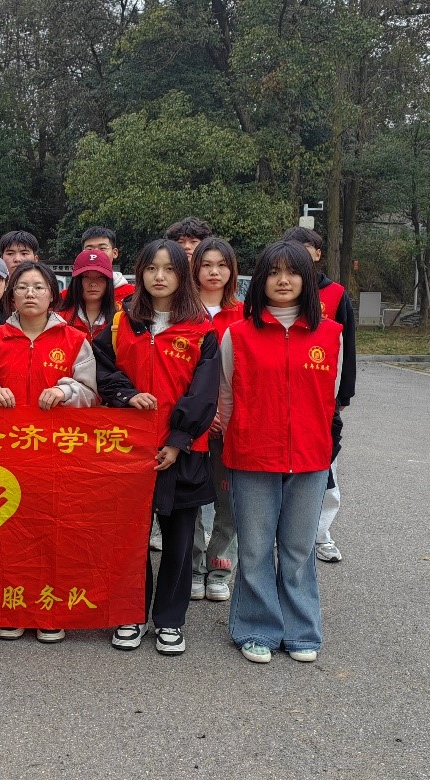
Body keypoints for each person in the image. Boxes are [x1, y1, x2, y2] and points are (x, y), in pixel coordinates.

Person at [218, 240, 343, 664]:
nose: (283, 280)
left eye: (292, 272)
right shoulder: (238, 335)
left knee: (298, 549)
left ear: (307, 279)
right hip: (252, 455)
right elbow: (226, 397)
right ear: (261, 280)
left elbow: (331, 399)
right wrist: (239, 438)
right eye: (273, 273)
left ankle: (301, 629)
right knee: (255, 549)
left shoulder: (330, 335)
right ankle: (256, 628)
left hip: (310, 457)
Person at [93, 239, 219, 656]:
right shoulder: (121, 322)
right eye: (151, 268)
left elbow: (204, 391)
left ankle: (170, 620)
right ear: (140, 273)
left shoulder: (200, 327)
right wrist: (126, 395)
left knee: (179, 542)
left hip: (182, 452)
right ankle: (131, 614)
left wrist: (179, 440)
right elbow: (101, 369)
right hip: (130, 450)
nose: (159, 277)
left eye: (169, 269)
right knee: (130, 540)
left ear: (183, 275)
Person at [0, 260, 99, 644]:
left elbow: (91, 394)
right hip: (4, 454)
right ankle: (10, 609)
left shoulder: (75, 340)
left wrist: (65, 390)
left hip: (56, 455)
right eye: (23, 287)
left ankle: (49, 610)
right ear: (11, 296)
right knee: (6, 533)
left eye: (39, 287)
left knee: (51, 531)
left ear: (52, 296)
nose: (30, 293)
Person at [282, 226, 356, 563]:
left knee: (325, 468)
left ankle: (320, 534)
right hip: (283, 394)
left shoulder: (336, 294)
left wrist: (343, 395)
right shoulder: (277, 289)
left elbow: (347, 348)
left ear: (317, 253)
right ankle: (285, 533)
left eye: (305, 247)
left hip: (322, 398)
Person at [190, 237, 243, 602]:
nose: (214, 272)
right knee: (190, 499)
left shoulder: (244, 314)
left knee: (229, 499)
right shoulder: (184, 312)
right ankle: (193, 566)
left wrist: (225, 413)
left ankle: (220, 567)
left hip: (232, 423)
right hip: (192, 422)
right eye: (206, 264)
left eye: (222, 265)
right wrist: (202, 415)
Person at [56, 248, 116, 340]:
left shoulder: (119, 320)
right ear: (77, 281)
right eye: (86, 277)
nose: (93, 283)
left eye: (100, 277)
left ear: (108, 282)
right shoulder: (60, 319)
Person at [81, 226, 135, 307]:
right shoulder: (68, 297)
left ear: (115, 253)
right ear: (82, 253)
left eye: (102, 248)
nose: (96, 254)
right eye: (89, 249)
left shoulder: (133, 295)